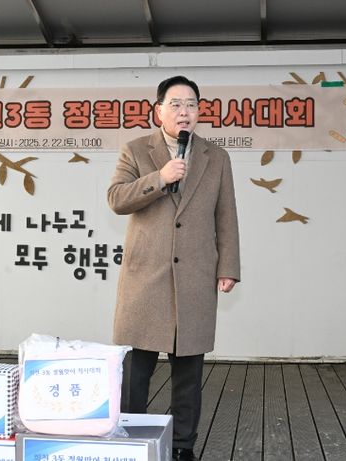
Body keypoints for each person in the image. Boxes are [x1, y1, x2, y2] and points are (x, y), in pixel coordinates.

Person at [107, 76, 240, 461]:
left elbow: (226, 216)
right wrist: (160, 178)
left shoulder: (216, 157)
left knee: (188, 373)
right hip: (146, 278)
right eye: (176, 104)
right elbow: (116, 199)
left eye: (192, 104)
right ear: (159, 111)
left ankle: (183, 445)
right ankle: (131, 441)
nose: (185, 111)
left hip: (194, 276)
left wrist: (228, 266)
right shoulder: (136, 150)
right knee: (136, 373)